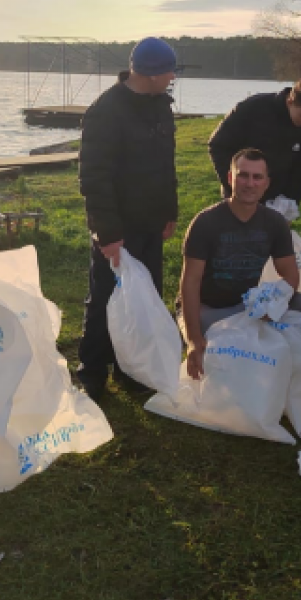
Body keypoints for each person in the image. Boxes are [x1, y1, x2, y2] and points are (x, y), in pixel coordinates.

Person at [77, 37, 180, 400]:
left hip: (152, 223)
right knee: (105, 297)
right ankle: (91, 372)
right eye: (170, 71)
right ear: (152, 74)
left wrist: (170, 211)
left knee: (144, 296)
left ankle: (130, 368)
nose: (172, 78)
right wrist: (107, 233)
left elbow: (167, 164)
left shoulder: (161, 107)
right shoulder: (106, 111)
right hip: (117, 228)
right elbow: (94, 177)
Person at [181, 149, 301, 380]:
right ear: (230, 178)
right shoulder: (205, 222)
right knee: (216, 339)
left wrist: (271, 306)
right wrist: (194, 340)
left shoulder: (275, 223)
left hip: (248, 303)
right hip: (210, 308)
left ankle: (290, 373)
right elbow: (190, 283)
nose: (250, 183)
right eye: (243, 176)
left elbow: (290, 276)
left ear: (267, 183)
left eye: (257, 177)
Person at [207, 77, 301, 205]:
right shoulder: (253, 108)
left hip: (277, 200)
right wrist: (234, 185)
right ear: (290, 101)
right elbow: (218, 145)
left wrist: (290, 202)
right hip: (240, 194)